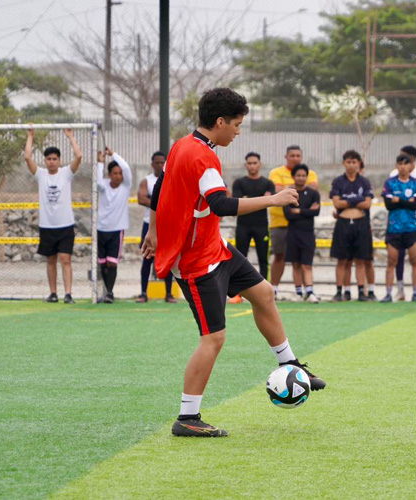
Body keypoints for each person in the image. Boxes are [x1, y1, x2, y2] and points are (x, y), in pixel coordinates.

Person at [141, 88, 325, 438]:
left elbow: (162, 184)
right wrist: (274, 198)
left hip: (216, 247)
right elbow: (221, 205)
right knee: (214, 338)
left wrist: (151, 227)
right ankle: (187, 417)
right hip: (195, 261)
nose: (239, 132)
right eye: (237, 125)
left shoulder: (184, 145)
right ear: (220, 122)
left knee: (265, 293)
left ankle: (290, 364)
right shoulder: (202, 157)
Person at [25, 128, 82, 304]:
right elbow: (27, 157)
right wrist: (30, 136)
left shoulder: (66, 173)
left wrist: (71, 136)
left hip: (65, 225)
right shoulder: (41, 175)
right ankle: (53, 293)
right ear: (45, 161)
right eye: (48, 159)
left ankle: (68, 294)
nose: (51, 162)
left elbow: (79, 157)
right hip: (47, 226)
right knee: (51, 260)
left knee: (65, 259)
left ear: (59, 160)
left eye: (54, 159)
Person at [269, 146, 319, 300]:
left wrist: (288, 190)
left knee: (303, 260)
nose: (295, 158)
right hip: (279, 222)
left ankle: (306, 292)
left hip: (302, 227)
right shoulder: (276, 172)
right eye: (292, 155)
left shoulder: (311, 173)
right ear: (286, 157)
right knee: (279, 256)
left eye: (298, 155)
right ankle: (274, 289)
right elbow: (277, 190)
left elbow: (313, 188)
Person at [329, 150, 376, 302]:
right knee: (343, 260)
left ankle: (362, 291)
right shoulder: (338, 181)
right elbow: (337, 202)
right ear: (344, 163)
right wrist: (356, 200)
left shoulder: (364, 182)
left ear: (359, 164)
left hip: (360, 223)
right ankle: (342, 291)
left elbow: (367, 204)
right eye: (348, 162)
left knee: (360, 259)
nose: (351, 165)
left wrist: (347, 201)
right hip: (343, 223)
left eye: (354, 162)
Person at [230, 152, 275, 303]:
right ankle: (238, 295)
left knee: (263, 259)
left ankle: (265, 293)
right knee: (240, 259)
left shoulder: (268, 183)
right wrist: (261, 199)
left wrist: (248, 200)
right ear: (245, 165)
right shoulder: (239, 183)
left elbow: (269, 200)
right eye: (249, 163)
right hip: (243, 226)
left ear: (260, 164)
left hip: (261, 226)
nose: (252, 166)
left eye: (255, 163)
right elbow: (237, 201)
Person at [389, 146, 416, 301]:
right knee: (397, 256)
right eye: (400, 159)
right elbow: (389, 195)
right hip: (398, 220)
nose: (402, 163)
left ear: (413, 160)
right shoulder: (394, 174)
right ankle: (399, 289)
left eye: (405, 159)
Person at [380, 154, 416, 303]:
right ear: (396, 165)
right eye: (400, 164)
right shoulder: (390, 183)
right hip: (394, 228)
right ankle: (389, 293)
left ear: (411, 166)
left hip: (412, 228)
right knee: (392, 261)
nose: (403, 167)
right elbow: (389, 205)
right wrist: (407, 201)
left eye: (406, 164)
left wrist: (399, 200)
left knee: (414, 260)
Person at [135, 151, 177, 304]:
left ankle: (169, 293)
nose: (159, 165)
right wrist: (162, 204)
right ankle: (143, 293)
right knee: (147, 258)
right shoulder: (147, 181)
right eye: (157, 162)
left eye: (162, 162)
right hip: (150, 224)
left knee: (169, 259)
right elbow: (141, 198)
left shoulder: (171, 180)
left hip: (167, 225)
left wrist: (154, 201)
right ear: (152, 164)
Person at [96, 146, 132, 303]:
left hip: (116, 230)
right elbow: (97, 179)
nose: (118, 176)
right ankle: (105, 290)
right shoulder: (103, 186)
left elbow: (126, 168)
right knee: (102, 263)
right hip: (100, 229)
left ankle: (110, 292)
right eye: (115, 173)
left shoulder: (126, 186)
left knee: (112, 263)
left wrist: (113, 154)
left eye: (119, 173)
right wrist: (100, 162)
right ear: (109, 175)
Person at [283, 164, 321, 303]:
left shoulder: (313, 194)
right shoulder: (288, 193)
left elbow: (316, 212)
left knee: (307, 264)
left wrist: (299, 211)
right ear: (293, 177)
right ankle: (298, 292)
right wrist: (307, 211)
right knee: (295, 264)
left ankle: (309, 292)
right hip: (292, 232)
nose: (301, 178)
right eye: (298, 175)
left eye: (303, 175)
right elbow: (288, 214)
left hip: (308, 233)